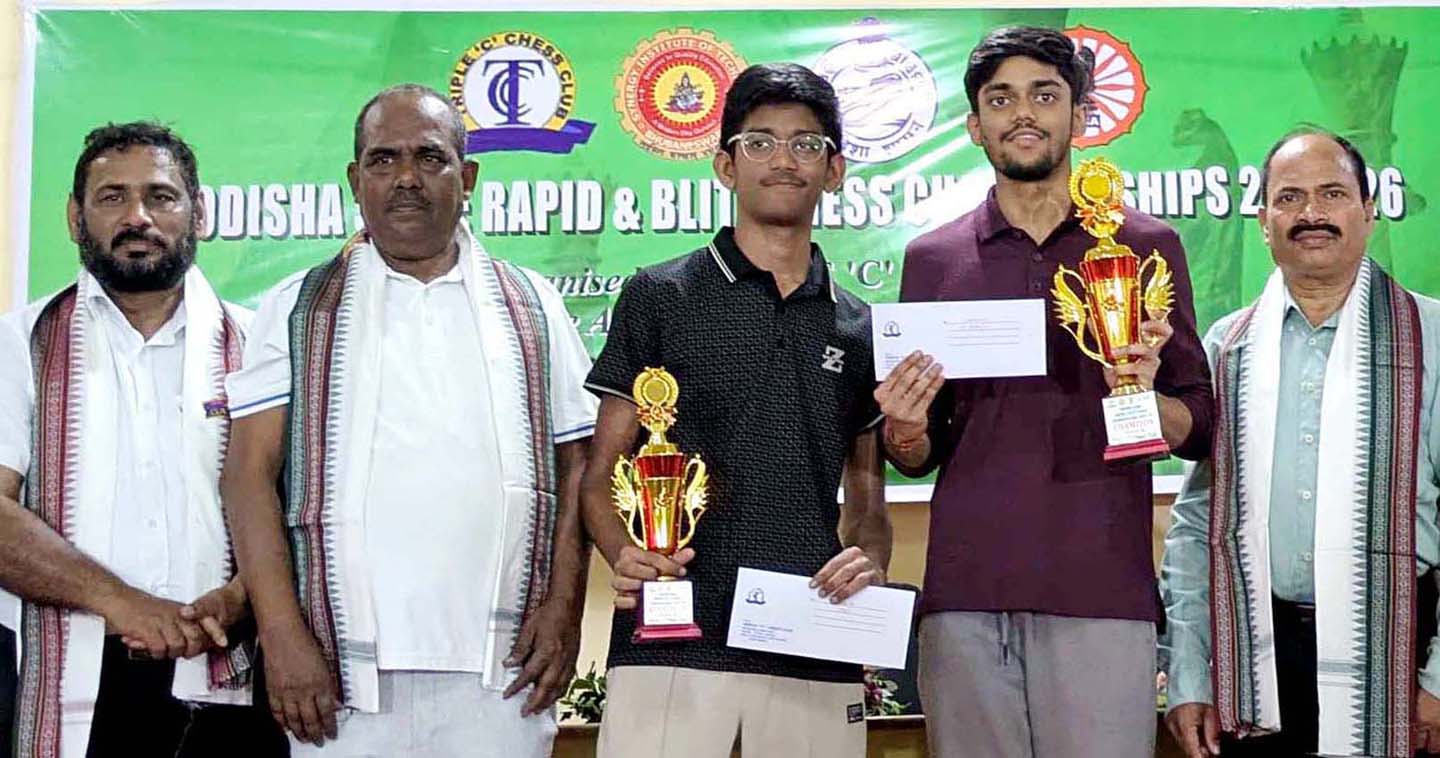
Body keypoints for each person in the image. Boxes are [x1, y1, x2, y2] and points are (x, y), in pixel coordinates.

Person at [220, 84, 597, 757]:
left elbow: (578, 467)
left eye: (429, 157)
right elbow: (248, 476)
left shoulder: (533, 302)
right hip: (337, 674)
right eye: (383, 159)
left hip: (503, 673)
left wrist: (565, 608)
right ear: (354, 179)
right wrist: (280, 635)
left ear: (467, 177)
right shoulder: (297, 308)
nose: (406, 179)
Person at [880, 26, 1214, 758]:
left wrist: (1143, 391)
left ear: (1080, 115)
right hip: (965, 594)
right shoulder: (932, 259)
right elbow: (918, 451)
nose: (1022, 113)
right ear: (975, 126)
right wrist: (903, 428)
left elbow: (1199, 424)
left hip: (1101, 591)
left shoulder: (1145, 245)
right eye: (1000, 99)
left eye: (1044, 95)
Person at [580, 63, 891, 758]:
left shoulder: (860, 328)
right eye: (760, 142)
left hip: (815, 641)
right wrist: (624, 554)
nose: (783, 160)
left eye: (806, 144)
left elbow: (867, 497)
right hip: (673, 641)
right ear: (725, 165)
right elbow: (601, 474)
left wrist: (868, 560)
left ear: (835, 170)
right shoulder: (659, 295)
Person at [0, 121, 285, 757]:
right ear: (74, 218)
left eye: (160, 196)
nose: (138, 217)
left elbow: (297, 508)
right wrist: (123, 603)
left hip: (237, 677)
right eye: (112, 197)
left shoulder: (260, 347)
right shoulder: (18, 343)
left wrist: (243, 596)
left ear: (199, 213)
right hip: (73, 682)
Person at [1162, 127, 1440, 758]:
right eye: (1289, 198)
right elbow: (1197, 523)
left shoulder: (1430, 337)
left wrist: (1439, 678)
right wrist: (1190, 673)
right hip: (1256, 653)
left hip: (1401, 643)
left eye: (1332, 193)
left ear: (1369, 210)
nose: (1311, 213)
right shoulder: (1227, 347)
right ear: (1263, 222)